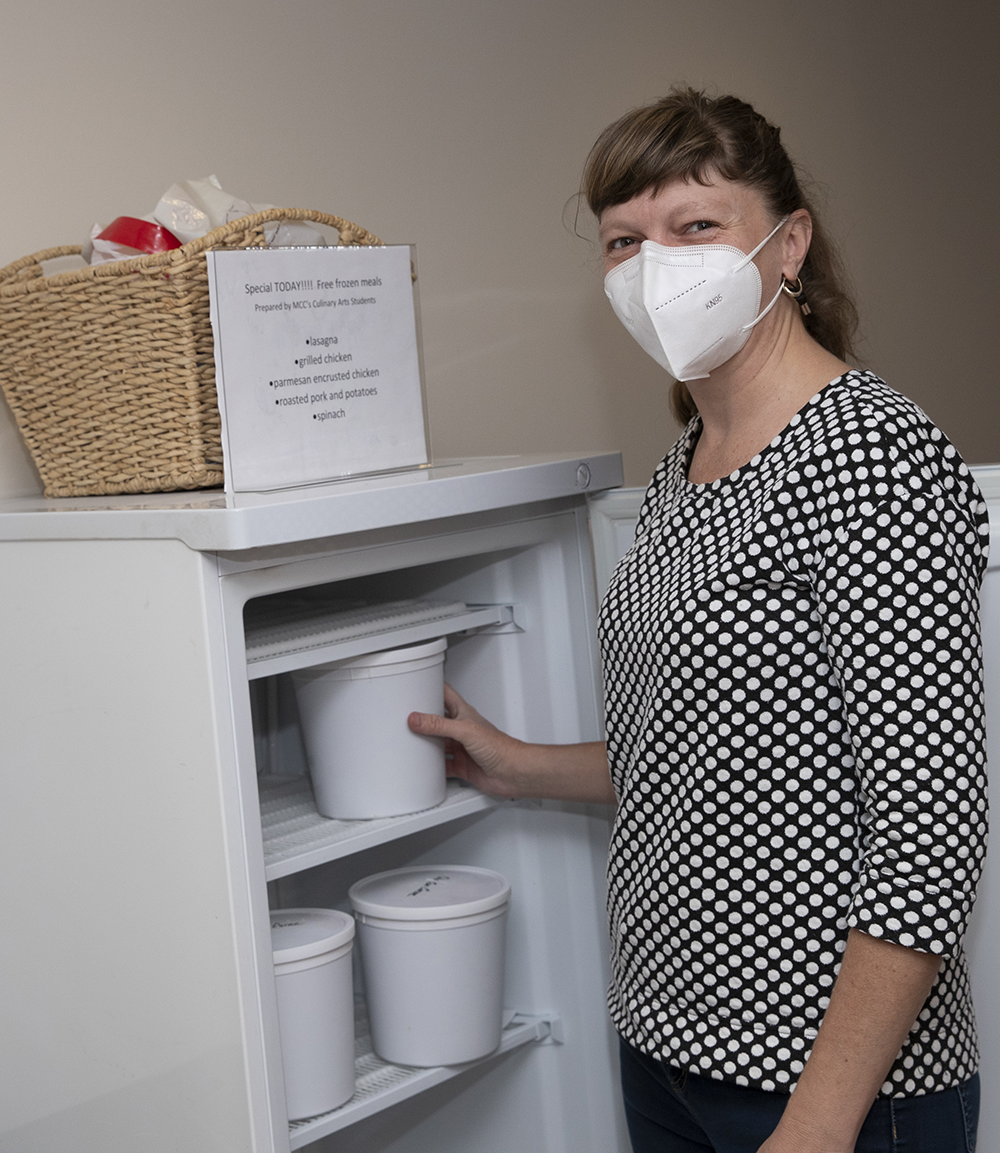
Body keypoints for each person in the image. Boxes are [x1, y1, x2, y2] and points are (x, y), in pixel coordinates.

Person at [409, 88, 988, 1153]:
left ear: (787, 245)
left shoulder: (872, 459)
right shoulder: (685, 469)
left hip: (830, 1092)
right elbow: (709, 750)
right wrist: (520, 765)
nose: (653, 265)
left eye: (694, 226)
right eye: (623, 240)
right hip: (670, 1052)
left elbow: (928, 829)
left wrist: (815, 1125)